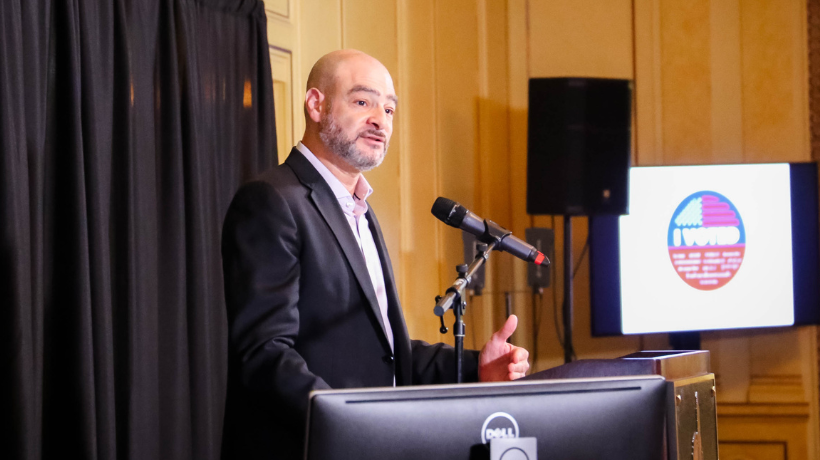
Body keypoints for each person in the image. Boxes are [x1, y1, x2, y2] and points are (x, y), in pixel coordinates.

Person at [220, 49, 529, 460]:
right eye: (363, 102)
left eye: (389, 109)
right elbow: (265, 354)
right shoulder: (273, 200)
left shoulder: (360, 210)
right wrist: (352, 424)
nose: (381, 120)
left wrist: (477, 367)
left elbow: (387, 353)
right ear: (316, 104)